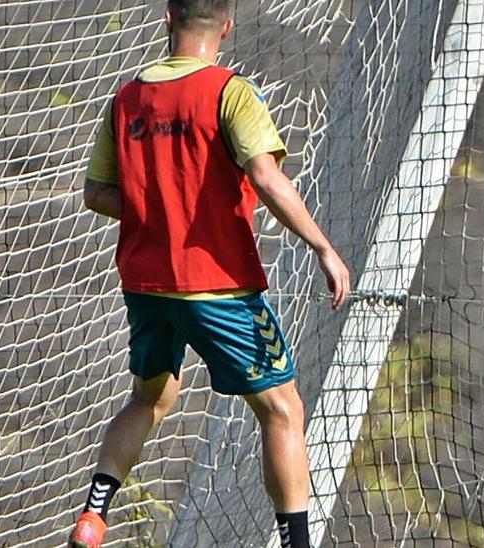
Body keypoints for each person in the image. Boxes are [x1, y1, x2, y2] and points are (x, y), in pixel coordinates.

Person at [68, 2, 352, 547]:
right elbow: (266, 179)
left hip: (147, 285)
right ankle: (297, 543)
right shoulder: (231, 92)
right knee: (282, 408)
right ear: (227, 26)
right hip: (218, 284)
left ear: (168, 19)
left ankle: (92, 516)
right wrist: (322, 247)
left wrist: (160, 206)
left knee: (150, 399)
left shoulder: (126, 99)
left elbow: (97, 195)